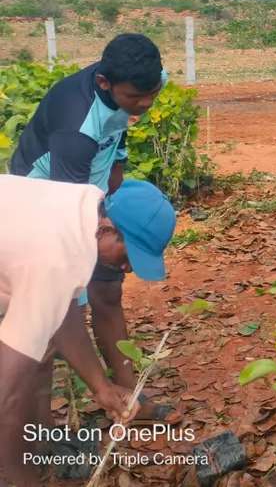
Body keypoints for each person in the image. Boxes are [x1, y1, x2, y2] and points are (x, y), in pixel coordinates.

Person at [9, 33, 174, 422]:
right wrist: (72, 289)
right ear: (104, 84)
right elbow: (66, 213)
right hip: (47, 206)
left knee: (108, 292)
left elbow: (117, 139)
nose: (146, 103)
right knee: (51, 324)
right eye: (136, 97)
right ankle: (43, 433)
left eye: (152, 92)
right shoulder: (75, 129)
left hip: (96, 200)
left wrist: (113, 190)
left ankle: (129, 396)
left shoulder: (138, 81)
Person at [0, 175, 176, 487]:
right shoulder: (52, 260)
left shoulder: (82, 205)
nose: (128, 270)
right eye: (127, 258)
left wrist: (102, 387)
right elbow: (8, 393)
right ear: (107, 230)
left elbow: (63, 315)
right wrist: (24, 479)